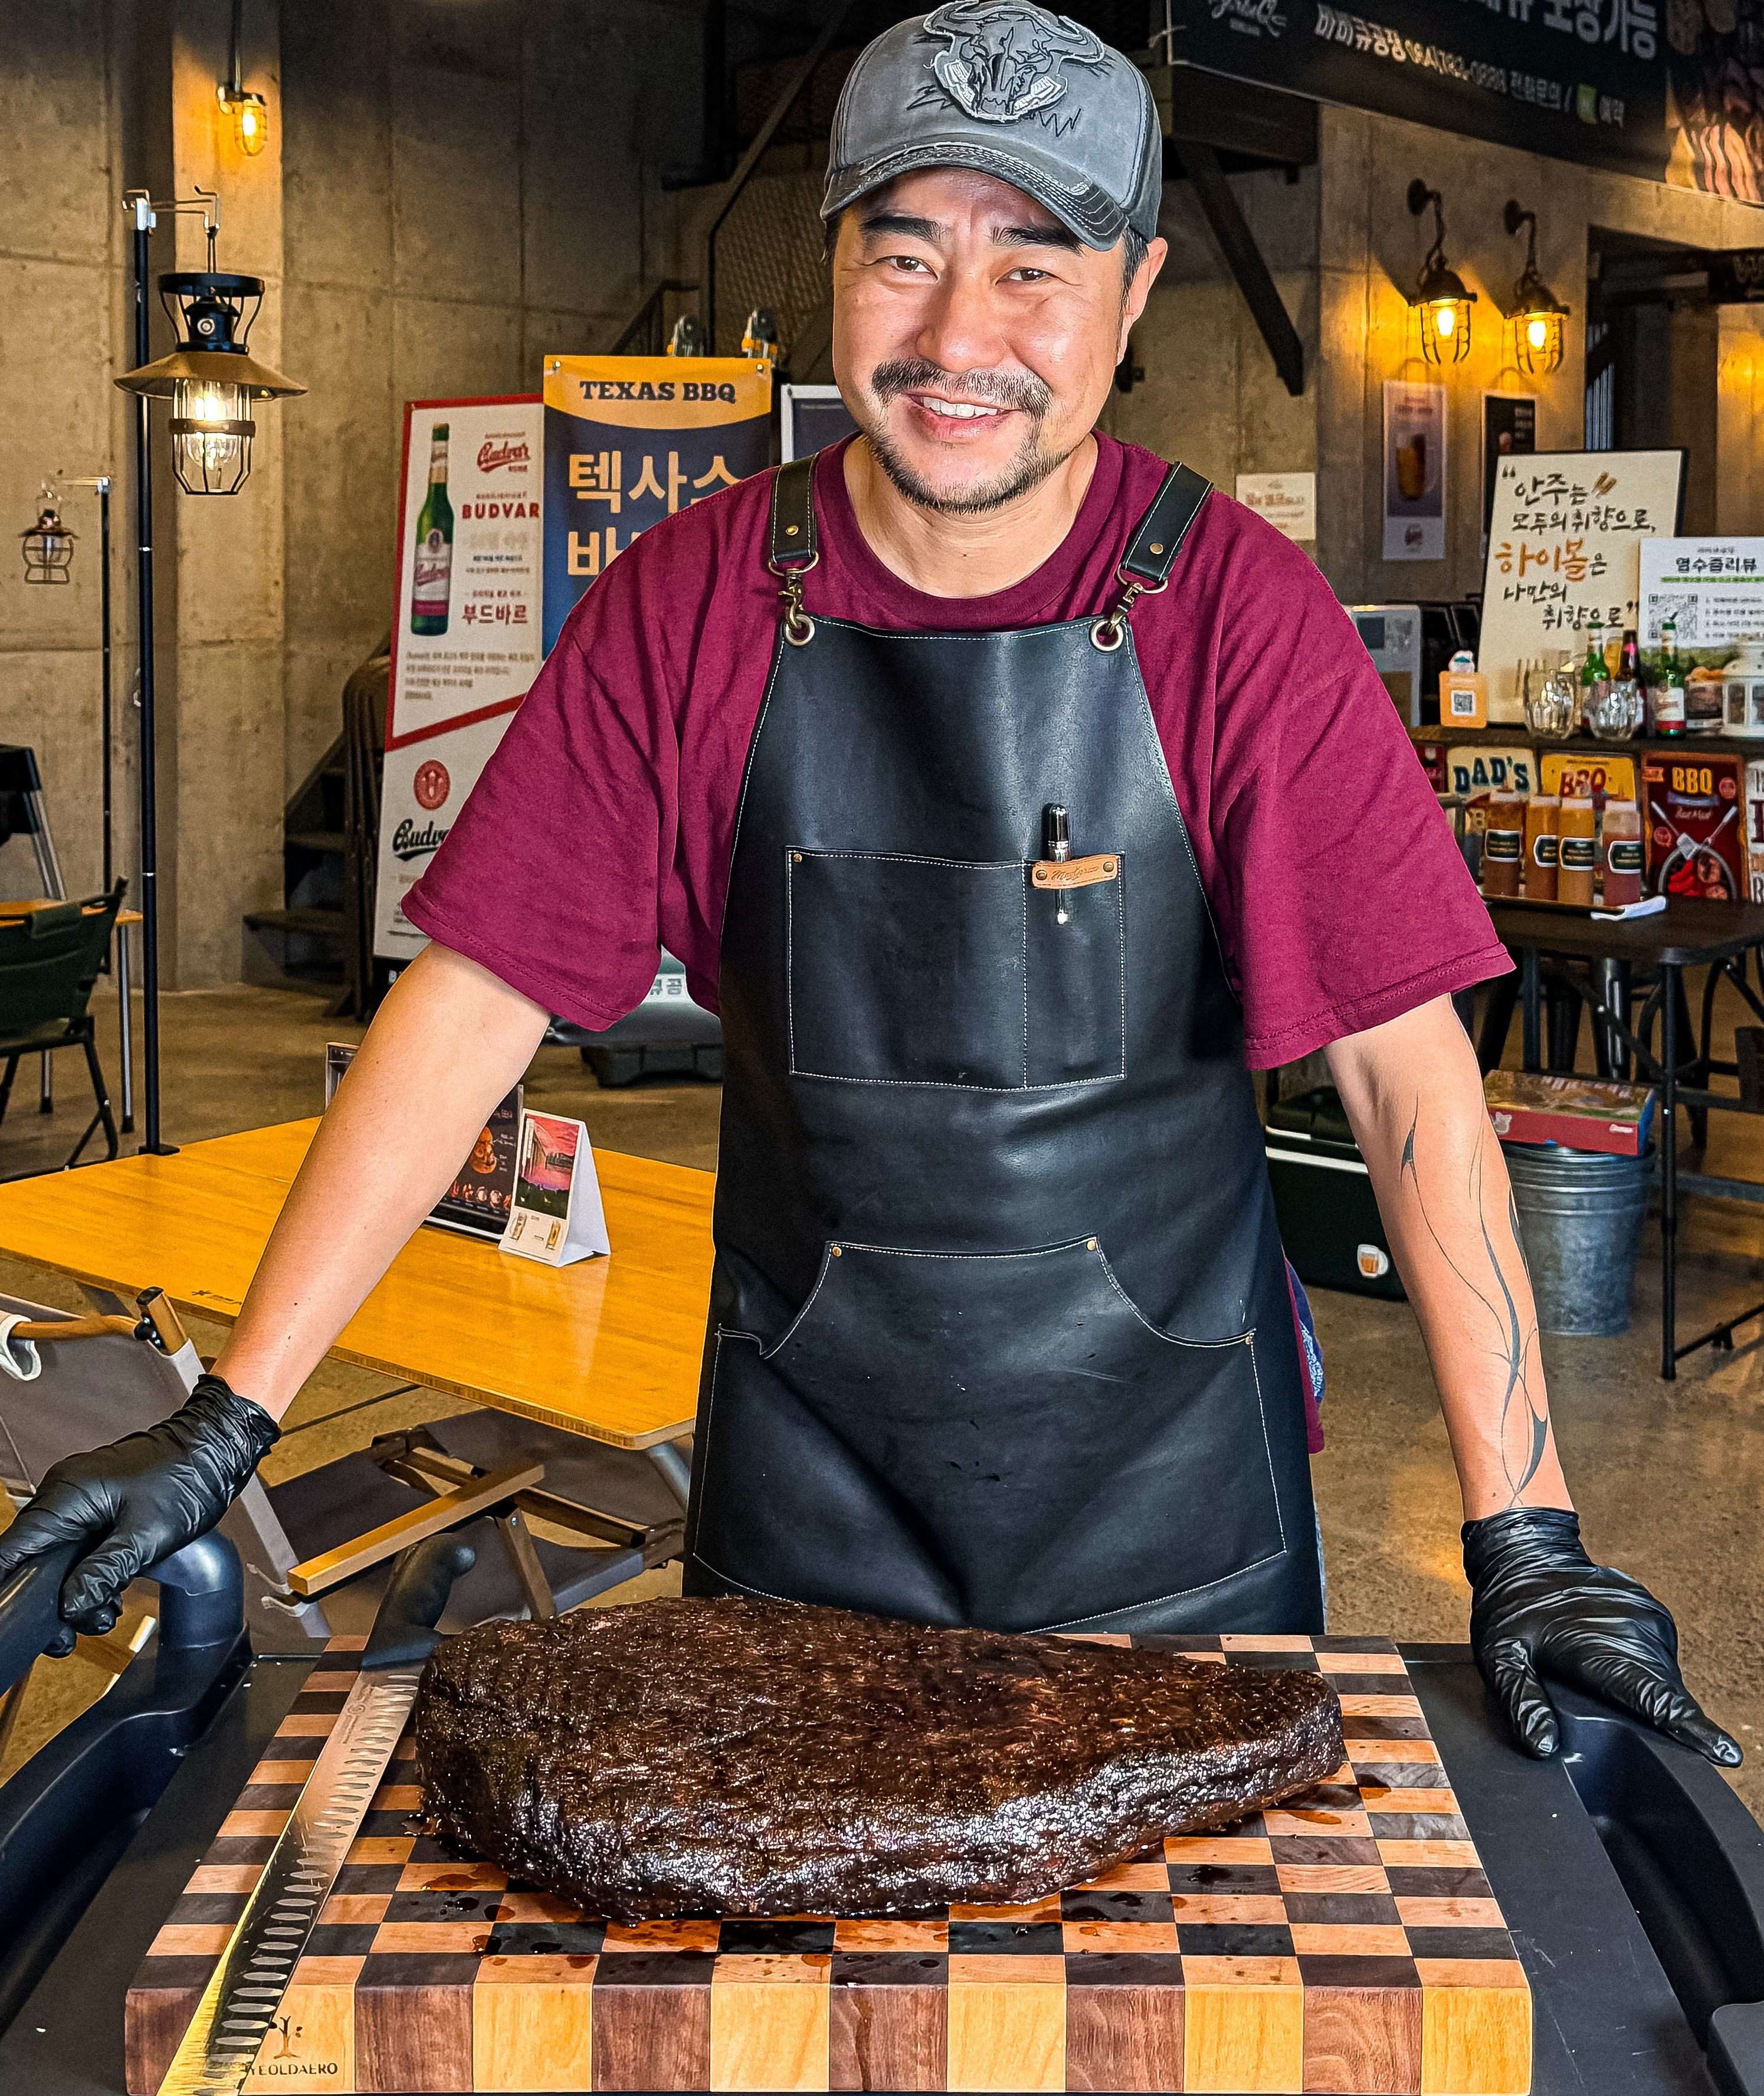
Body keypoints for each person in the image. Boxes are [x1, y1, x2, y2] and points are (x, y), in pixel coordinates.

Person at [0, 0, 1733, 1767]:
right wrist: (229, 1423)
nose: (957, 334)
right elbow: (473, 1006)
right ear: (827, 264)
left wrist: (1530, 1528)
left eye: (1032, 269)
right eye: (902, 255)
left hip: (1172, 1523)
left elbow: (1406, 1078)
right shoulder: (685, 604)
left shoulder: (1240, 618)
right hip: (803, 1512)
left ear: (1135, 297)